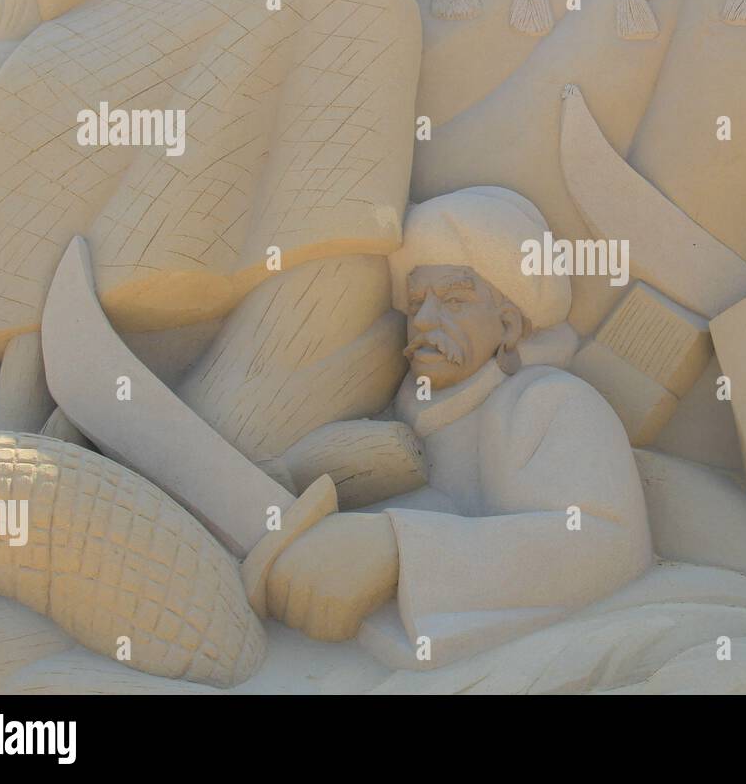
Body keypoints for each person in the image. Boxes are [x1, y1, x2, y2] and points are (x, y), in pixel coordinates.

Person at [263, 187, 652, 665]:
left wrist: (397, 550)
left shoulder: (550, 402)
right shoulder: (395, 418)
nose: (424, 320)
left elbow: (605, 546)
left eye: (453, 300)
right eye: (417, 301)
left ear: (508, 327)